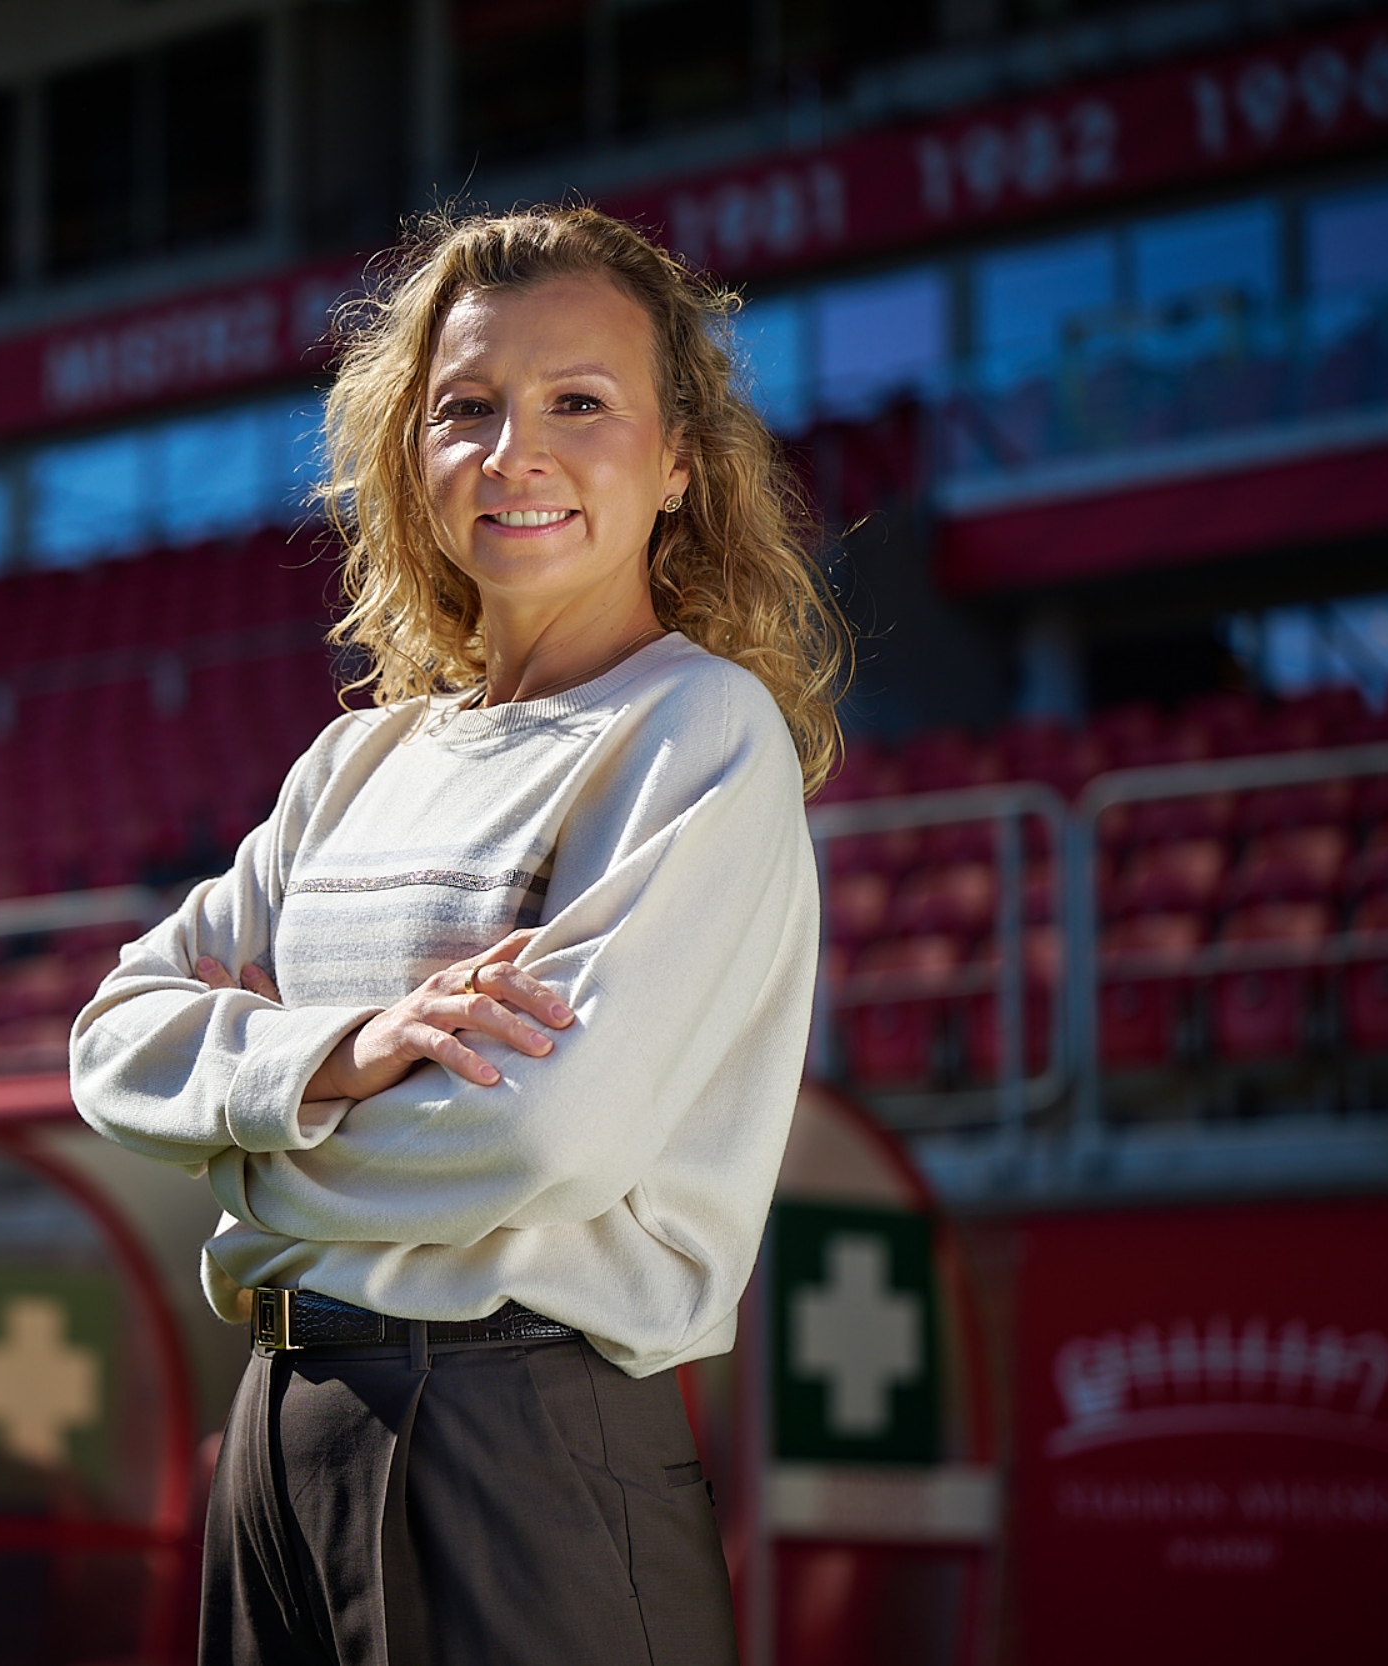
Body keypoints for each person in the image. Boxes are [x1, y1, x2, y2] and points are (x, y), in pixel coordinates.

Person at [69, 203, 848, 1666]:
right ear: (408, 455)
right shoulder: (351, 764)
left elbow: (539, 1137)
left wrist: (243, 1152)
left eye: (579, 403)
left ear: (679, 461)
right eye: (466, 408)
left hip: (521, 1442)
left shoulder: (696, 732)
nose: (513, 452)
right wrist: (341, 1055)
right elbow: (112, 1042)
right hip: (276, 1435)